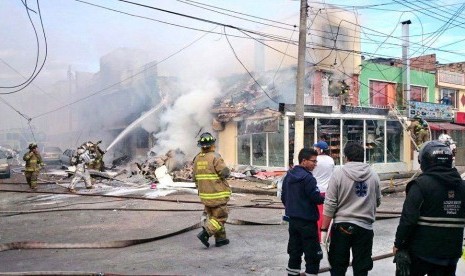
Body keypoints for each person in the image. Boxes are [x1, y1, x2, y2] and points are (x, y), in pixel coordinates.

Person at [393, 140, 465, 276]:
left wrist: (399, 244)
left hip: (421, 254)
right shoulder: (462, 186)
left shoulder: (420, 185)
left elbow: (408, 220)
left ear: (424, 162)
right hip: (450, 255)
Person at [320, 142, 381, 276]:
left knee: (338, 266)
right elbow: (377, 201)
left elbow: (330, 204)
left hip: (342, 227)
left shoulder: (338, 173)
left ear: (346, 157)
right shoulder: (373, 175)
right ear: (363, 156)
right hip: (365, 228)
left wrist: (324, 229)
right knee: (361, 267)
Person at [281, 148, 325, 276]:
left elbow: (284, 197)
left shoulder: (289, 175)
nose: (315, 164)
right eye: (313, 161)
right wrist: (327, 198)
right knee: (313, 255)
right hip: (307, 222)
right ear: (304, 160)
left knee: (294, 253)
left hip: (293, 221)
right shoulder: (308, 178)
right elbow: (316, 198)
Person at [193, 132, 231, 248]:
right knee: (220, 217)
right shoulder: (215, 157)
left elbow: (194, 178)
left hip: (205, 195)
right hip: (217, 194)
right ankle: (206, 233)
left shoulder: (197, 159)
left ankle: (221, 239)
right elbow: (225, 173)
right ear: (212, 145)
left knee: (213, 217)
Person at [312, 141, 335, 240]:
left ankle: (319, 234)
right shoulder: (331, 160)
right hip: (328, 189)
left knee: (319, 213)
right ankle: (329, 233)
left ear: (320, 150)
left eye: (316, 148)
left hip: (318, 189)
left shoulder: (315, 160)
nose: (315, 149)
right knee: (328, 212)